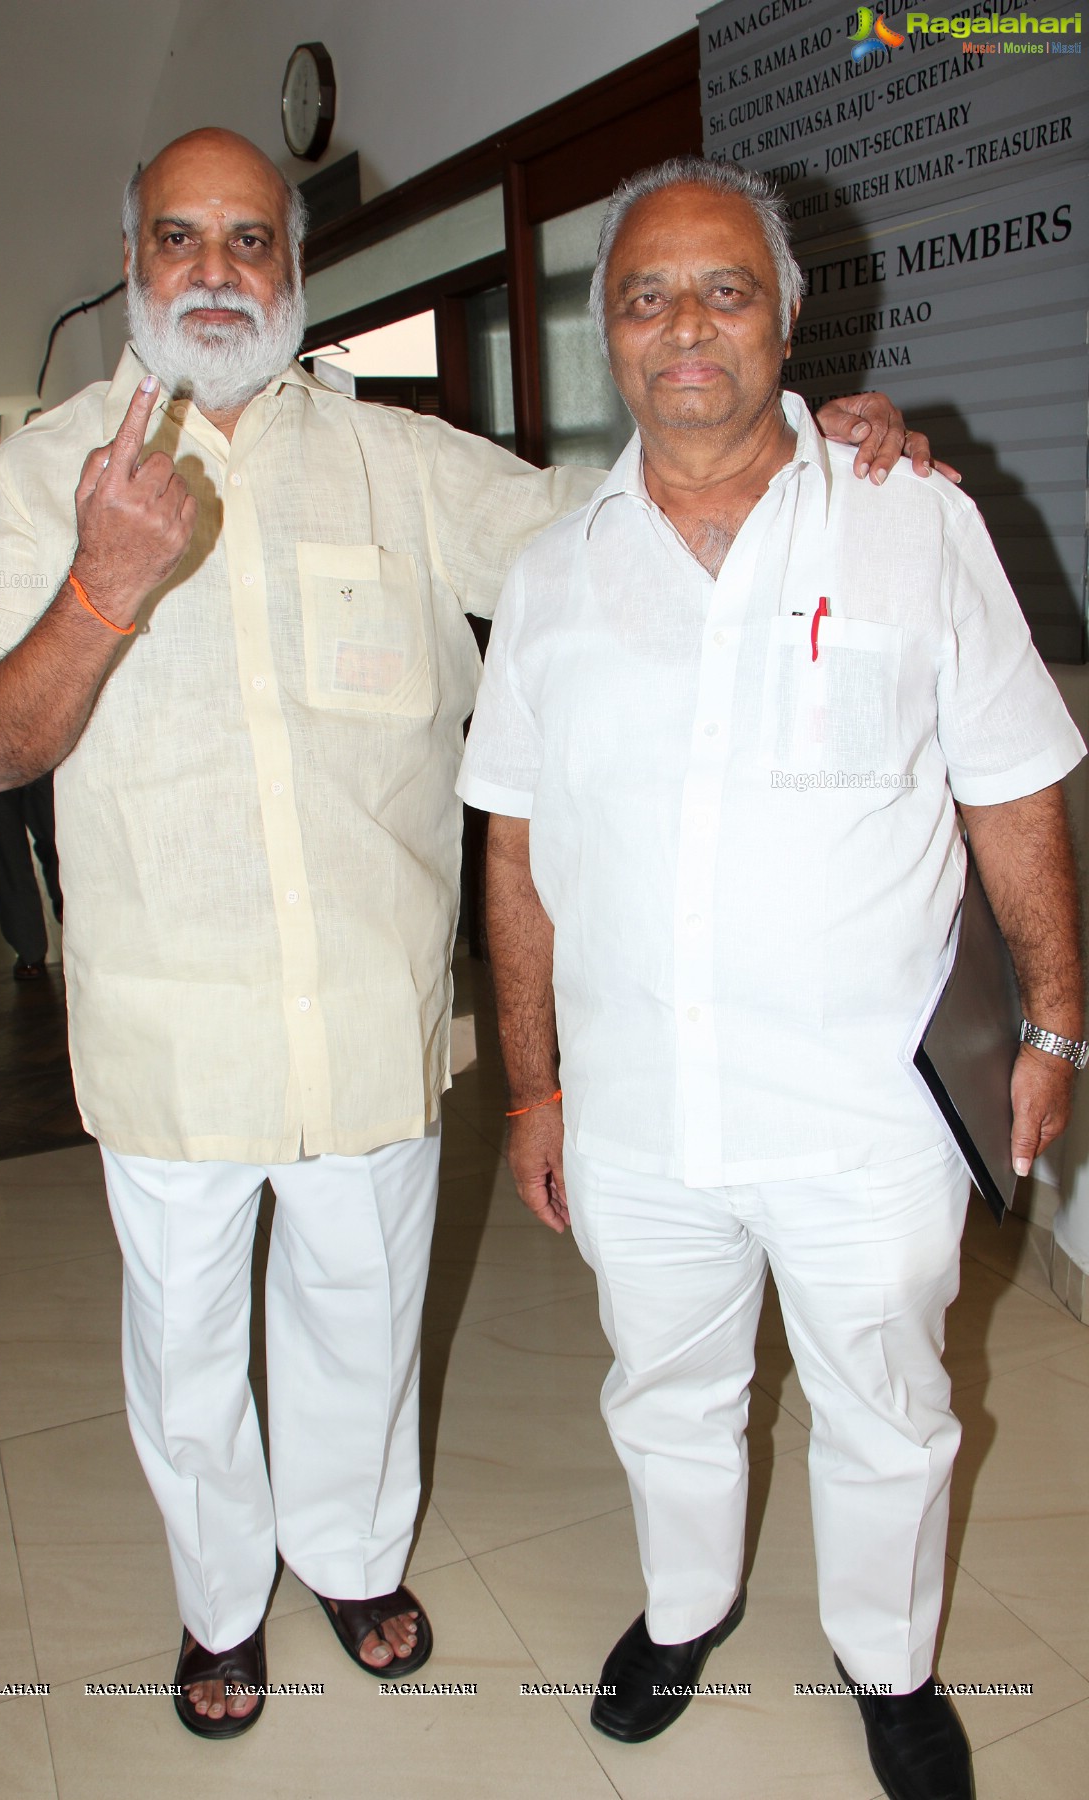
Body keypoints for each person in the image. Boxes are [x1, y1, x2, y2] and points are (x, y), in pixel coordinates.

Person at [0, 128, 936, 1741]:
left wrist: (818, 455)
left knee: (362, 1317)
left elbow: (640, 521)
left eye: (252, 240)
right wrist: (105, 587)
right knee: (185, 1350)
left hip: (372, 1011)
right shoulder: (44, 477)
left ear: (294, 269)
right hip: (170, 1031)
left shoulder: (405, 462)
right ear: (133, 262)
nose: (218, 271)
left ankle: (353, 1554)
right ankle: (220, 1604)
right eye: (182, 238)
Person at [460, 156, 1085, 1800]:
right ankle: (684, 1608)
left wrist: (1056, 1019)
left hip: (866, 1108)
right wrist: (531, 1083)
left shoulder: (914, 519)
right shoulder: (550, 578)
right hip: (641, 1109)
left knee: (890, 1398)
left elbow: (1013, 785)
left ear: (789, 318)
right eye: (648, 294)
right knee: (665, 1381)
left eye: (725, 289)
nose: (686, 327)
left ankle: (888, 1664)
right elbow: (514, 852)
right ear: (607, 332)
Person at [0, 770, 62, 978]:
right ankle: (29, 948)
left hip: (42, 747)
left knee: (57, 835)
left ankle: (66, 902)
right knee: (7, 850)